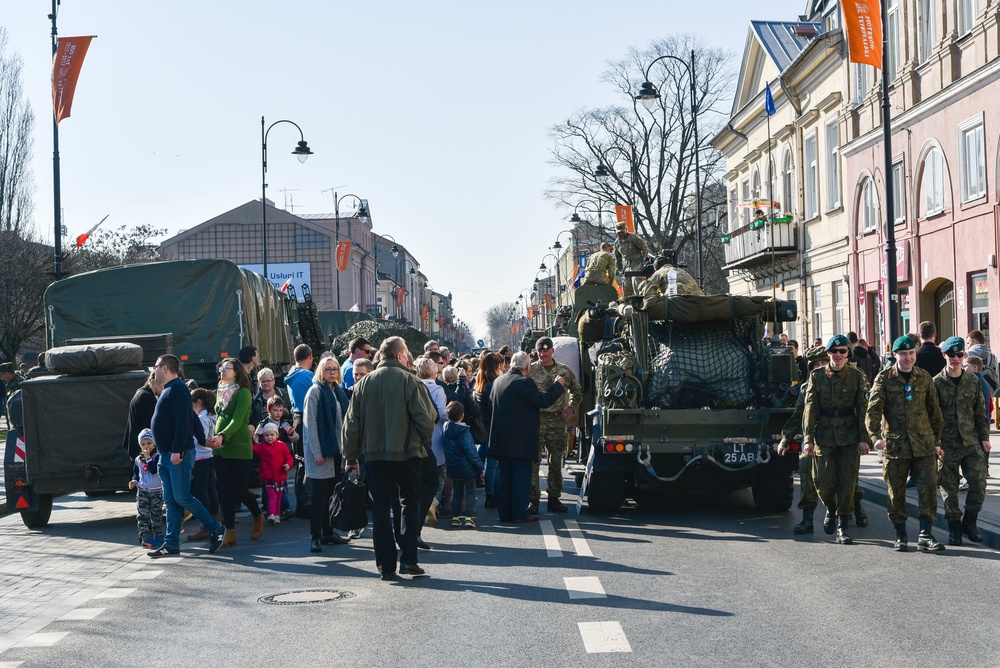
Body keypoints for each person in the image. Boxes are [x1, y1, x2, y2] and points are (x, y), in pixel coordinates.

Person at [343, 336, 437, 580]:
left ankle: (386, 566)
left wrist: (351, 456)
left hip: (374, 456)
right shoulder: (409, 381)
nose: (408, 357)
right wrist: (419, 442)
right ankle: (408, 560)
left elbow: (351, 425)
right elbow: (427, 420)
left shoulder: (363, 384)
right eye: (406, 353)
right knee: (410, 503)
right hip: (407, 453)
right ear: (399, 356)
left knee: (381, 508)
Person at [866, 335, 945, 552]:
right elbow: (873, 411)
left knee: (928, 489)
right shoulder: (884, 378)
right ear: (895, 355)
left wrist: (937, 442)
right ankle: (901, 535)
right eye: (904, 354)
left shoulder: (924, 377)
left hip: (924, 445)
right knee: (896, 492)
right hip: (896, 446)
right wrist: (875, 438)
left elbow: (934, 412)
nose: (908, 358)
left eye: (911, 354)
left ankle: (925, 534)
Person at [147, 355, 226, 558]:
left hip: (176, 455)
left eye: (155, 367)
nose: (153, 371)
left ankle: (216, 529)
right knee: (171, 500)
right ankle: (171, 542)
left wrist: (178, 449)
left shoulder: (178, 389)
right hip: (166, 455)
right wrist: (201, 439)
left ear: (164, 368)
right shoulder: (170, 390)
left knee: (182, 496)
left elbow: (184, 421)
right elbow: (192, 417)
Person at [802, 335, 870, 545]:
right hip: (825, 434)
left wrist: (863, 438)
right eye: (834, 351)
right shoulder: (817, 376)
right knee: (823, 481)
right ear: (828, 353)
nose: (838, 355)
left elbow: (862, 409)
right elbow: (810, 408)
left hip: (849, 435)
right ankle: (830, 508)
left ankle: (843, 524)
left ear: (848, 353)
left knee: (848, 482)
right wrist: (808, 438)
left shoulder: (857, 376)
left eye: (842, 351)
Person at [490, 351, 566, 523]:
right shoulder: (524, 382)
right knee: (520, 478)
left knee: (505, 478)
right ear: (527, 367)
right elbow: (543, 401)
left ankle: (506, 513)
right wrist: (558, 386)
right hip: (520, 441)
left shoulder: (498, 381)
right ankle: (519, 513)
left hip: (501, 440)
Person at [933, 337, 991, 545]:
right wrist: (935, 442)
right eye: (952, 355)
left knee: (978, 483)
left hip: (970, 441)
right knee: (949, 490)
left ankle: (970, 522)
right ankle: (954, 527)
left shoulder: (972, 381)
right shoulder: (935, 383)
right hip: (947, 445)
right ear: (944, 356)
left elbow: (980, 413)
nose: (956, 359)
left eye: (960, 355)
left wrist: (984, 438)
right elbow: (931, 416)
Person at [206, 359, 264, 548]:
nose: (222, 371)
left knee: (239, 489)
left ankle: (258, 515)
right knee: (225, 491)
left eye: (227, 368)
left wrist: (222, 435)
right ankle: (229, 531)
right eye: (221, 368)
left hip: (238, 446)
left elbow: (238, 420)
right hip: (221, 448)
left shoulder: (244, 393)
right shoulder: (220, 390)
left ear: (237, 372)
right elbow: (218, 415)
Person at [777, 345, 828, 534]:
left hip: (838, 440)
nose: (821, 367)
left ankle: (846, 515)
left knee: (844, 482)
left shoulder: (844, 383)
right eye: (817, 365)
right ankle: (807, 519)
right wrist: (785, 440)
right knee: (806, 476)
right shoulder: (806, 388)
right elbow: (797, 416)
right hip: (811, 441)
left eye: (825, 363)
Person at [302, 355, 351, 552]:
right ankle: (315, 536)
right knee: (319, 498)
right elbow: (310, 425)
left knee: (332, 496)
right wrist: (316, 452)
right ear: (320, 371)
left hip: (336, 452)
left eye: (335, 369)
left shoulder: (337, 392)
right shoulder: (315, 391)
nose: (332, 372)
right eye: (327, 369)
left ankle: (328, 531)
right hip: (321, 454)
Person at [529, 337, 582, 514]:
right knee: (533, 461)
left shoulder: (564, 371)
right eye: (540, 351)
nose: (543, 355)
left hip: (557, 421)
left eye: (546, 351)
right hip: (536, 420)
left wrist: (571, 408)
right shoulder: (530, 370)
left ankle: (554, 497)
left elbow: (577, 391)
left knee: (556, 461)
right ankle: (533, 499)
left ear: (552, 351)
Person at [416, 356, 448, 540]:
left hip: (417, 437)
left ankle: (424, 503)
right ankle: (433, 501)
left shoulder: (412, 386)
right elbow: (442, 414)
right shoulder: (437, 389)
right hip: (434, 435)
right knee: (439, 473)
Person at [285, 344, 314, 517]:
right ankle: (308, 503)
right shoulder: (308, 376)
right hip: (307, 418)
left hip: (297, 417)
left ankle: (301, 501)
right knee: (309, 463)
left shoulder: (290, 375)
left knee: (301, 462)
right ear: (310, 357)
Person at [442, 401, 482, 528]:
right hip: (467, 467)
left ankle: (455, 517)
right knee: (470, 491)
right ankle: (469, 517)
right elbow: (471, 452)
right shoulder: (464, 433)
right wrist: (480, 466)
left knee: (457, 491)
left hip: (453, 466)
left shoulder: (445, 429)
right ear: (462, 415)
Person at [187, 388, 219, 542]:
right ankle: (214, 516)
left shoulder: (201, 419)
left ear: (198, 403)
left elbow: (201, 437)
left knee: (202, 491)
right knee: (210, 488)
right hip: (209, 456)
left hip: (200, 457)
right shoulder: (211, 416)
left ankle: (206, 524)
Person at [476, 351, 504, 508]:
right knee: (494, 463)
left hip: (484, 426)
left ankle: (493, 493)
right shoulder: (492, 384)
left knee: (492, 462)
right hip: (492, 426)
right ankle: (491, 494)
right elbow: (495, 407)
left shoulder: (481, 381)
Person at [253, 423, 295, 524]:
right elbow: (253, 448)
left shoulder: (282, 445)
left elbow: (289, 457)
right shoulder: (262, 446)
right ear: (263, 436)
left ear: (277, 435)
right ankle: (271, 514)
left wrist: (288, 465)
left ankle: (277, 515)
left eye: (272, 435)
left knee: (279, 496)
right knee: (272, 496)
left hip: (280, 476)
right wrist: (250, 436)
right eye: (267, 435)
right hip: (269, 477)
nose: (269, 437)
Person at [130, 428, 164, 549]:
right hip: (142, 491)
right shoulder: (138, 459)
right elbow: (136, 473)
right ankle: (146, 537)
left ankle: (159, 536)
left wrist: (148, 457)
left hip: (156, 491)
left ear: (154, 443)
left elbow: (154, 469)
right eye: (143, 444)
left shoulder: (157, 456)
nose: (146, 447)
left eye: (149, 443)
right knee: (142, 515)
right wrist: (134, 481)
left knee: (156, 514)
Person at [122, 371, 162, 460]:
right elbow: (148, 424)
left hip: (139, 445)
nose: (163, 389)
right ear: (155, 382)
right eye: (162, 385)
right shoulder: (145, 397)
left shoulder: (141, 393)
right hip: (144, 447)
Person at [637, 255, 704, 298]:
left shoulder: (659, 272)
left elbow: (647, 292)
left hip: (683, 306)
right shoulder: (682, 271)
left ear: (655, 269)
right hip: (700, 303)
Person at [612, 222, 649, 297]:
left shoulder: (633, 237)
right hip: (627, 265)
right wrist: (619, 269)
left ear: (626, 230)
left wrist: (643, 262)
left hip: (637, 263)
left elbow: (644, 248)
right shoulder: (617, 242)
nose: (620, 234)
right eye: (618, 232)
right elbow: (617, 256)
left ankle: (641, 300)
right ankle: (628, 302)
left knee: (637, 281)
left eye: (622, 232)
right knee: (626, 284)